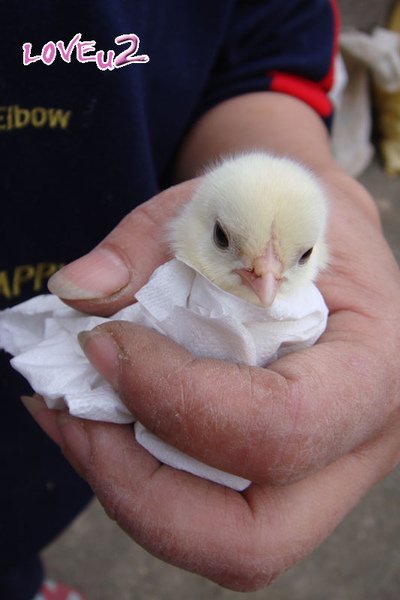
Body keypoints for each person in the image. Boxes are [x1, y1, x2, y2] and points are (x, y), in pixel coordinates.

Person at [2, 0, 400, 596]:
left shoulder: (291, 306)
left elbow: (264, 62)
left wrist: (344, 202)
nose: (266, 285)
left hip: (42, 445)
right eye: (225, 240)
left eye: (296, 260)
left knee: (26, 511)